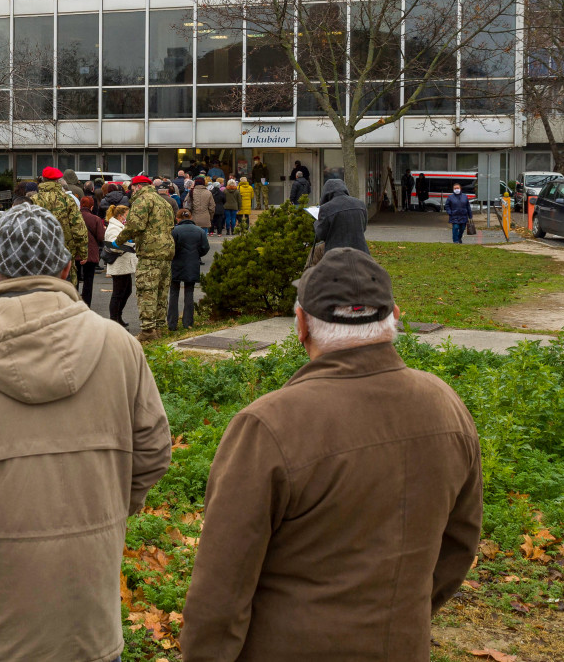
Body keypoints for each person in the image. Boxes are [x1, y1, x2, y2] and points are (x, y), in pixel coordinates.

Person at [180, 249, 482, 662]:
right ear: (394, 315)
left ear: (301, 324)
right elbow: (460, 545)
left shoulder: (268, 424)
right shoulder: (445, 405)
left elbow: (221, 589)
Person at [0, 202, 172, 662]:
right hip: (89, 610)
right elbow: (152, 453)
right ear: (69, 266)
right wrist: (108, 511)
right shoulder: (119, 346)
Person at [120, 175, 177, 342]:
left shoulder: (142, 200)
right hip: (166, 252)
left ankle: (147, 331)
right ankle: (159, 328)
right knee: (161, 292)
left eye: (131, 188)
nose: (131, 192)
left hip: (149, 252)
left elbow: (134, 226)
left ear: (138, 187)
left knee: (147, 291)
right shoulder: (164, 202)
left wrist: (118, 240)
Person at [29, 167, 90, 285]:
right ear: (58, 181)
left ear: (43, 180)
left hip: (39, 251)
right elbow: (78, 227)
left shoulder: (33, 200)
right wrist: (83, 252)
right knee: (66, 287)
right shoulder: (67, 200)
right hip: (64, 250)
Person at [168, 209, 210, 331]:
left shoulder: (174, 231)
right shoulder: (200, 231)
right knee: (189, 293)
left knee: (174, 293)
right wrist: (196, 255)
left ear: (177, 218)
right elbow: (205, 247)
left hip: (176, 263)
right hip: (192, 263)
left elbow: (170, 248)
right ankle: (188, 322)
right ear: (191, 218)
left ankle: (172, 323)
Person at [314, 178, 370, 253]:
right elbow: (363, 227)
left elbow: (320, 234)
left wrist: (316, 223)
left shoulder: (326, 208)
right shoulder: (360, 204)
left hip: (336, 255)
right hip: (360, 252)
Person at [104, 204, 137, 328]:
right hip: (119, 264)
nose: (127, 217)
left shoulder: (119, 226)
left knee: (126, 291)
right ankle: (114, 319)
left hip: (124, 264)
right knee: (118, 293)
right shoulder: (113, 228)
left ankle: (118, 316)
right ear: (120, 215)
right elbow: (113, 246)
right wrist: (129, 246)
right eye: (126, 214)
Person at [79, 194, 107, 305]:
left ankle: (74, 302)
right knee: (88, 280)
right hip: (90, 252)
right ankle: (86, 304)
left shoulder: (74, 216)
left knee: (74, 279)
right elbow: (100, 237)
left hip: (75, 252)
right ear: (92, 207)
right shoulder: (95, 219)